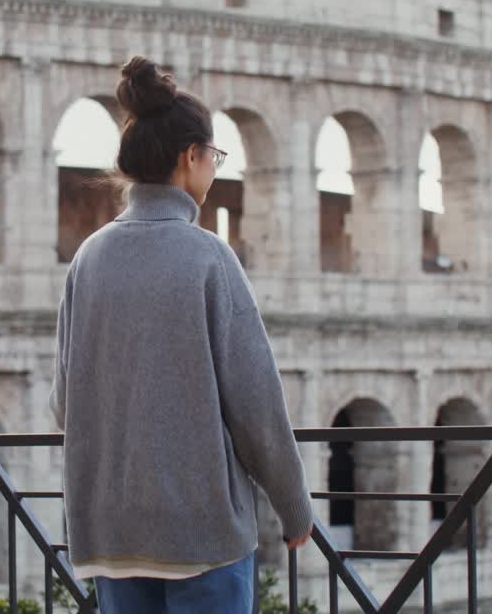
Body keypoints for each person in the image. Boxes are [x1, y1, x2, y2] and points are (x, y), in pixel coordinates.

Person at [51, 56, 313, 613]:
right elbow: (256, 404)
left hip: (112, 534)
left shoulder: (88, 258)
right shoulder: (209, 257)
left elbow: (63, 401)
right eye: (215, 155)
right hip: (200, 533)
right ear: (190, 157)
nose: (215, 168)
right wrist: (293, 506)